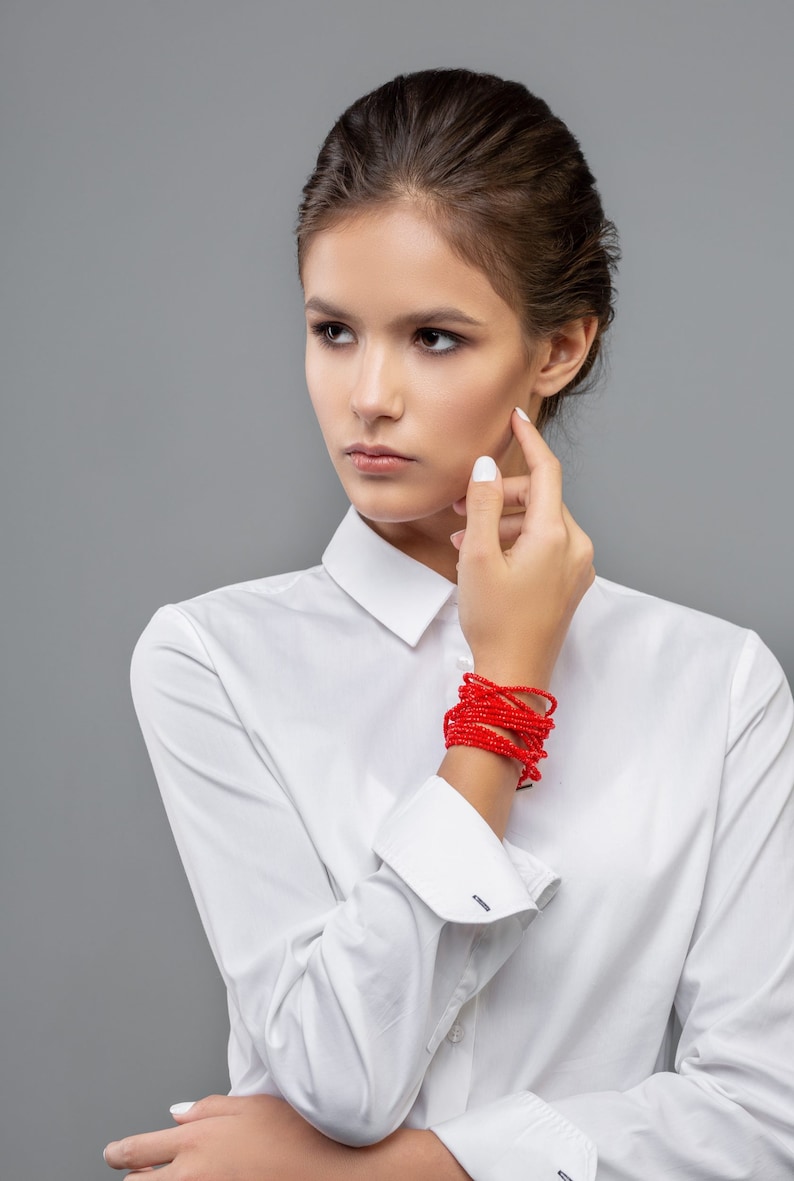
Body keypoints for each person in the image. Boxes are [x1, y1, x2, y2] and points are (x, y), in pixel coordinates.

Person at [103, 68, 794, 1179]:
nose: (366, 392)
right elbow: (337, 1073)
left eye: (432, 337)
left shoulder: (717, 685)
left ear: (557, 348)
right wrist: (500, 706)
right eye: (333, 329)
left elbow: (763, 1120)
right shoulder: (211, 661)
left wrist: (372, 1173)